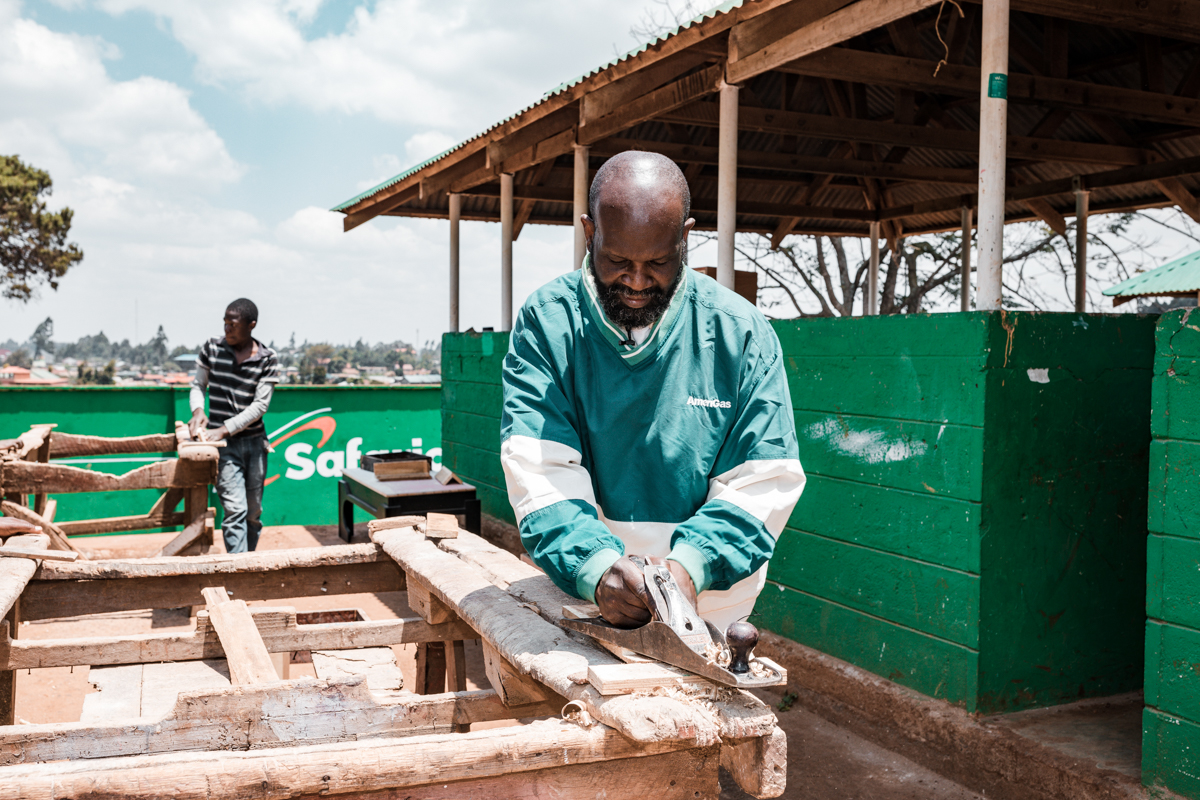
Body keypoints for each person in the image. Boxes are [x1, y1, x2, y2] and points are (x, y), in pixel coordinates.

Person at [500, 152, 806, 631]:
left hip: (713, 603)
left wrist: (690, 569)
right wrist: (597, 567)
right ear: (589, 232)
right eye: (618, 261)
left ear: (685, 237)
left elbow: (765, 480)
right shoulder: (549, 321)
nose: (637, 282)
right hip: (591, 596)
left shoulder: (741, 332)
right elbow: (539, 470)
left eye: (658, 262)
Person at [189, 298, 281, 553]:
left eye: (233, 324)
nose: (227, 329)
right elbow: (198, 385)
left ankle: (246, 564)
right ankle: (237, 572)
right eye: (225, 323)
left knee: (253, 512)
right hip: (224, 447)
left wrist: (223, 428)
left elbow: (260, 406)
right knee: (235, 511)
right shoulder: (212, 347)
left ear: (251, 325)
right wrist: (198, 410)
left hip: (254, 443)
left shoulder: (267, 358)